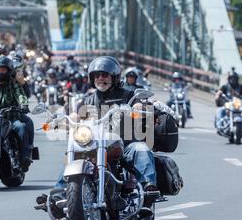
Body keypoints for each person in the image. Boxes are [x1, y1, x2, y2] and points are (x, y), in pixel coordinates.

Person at [52, 56, 161, 201]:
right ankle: (59, 192)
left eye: (104, 75)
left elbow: (141, 103)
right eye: (96, 75)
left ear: (114, 77)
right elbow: (74, 115)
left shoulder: (127, 95)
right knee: (72, 156)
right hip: (95, 147)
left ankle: (148, 187)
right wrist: (63, 119)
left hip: (124, 146)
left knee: (141, 148)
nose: (100, 78)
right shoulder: (88, 100)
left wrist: (139, 106)